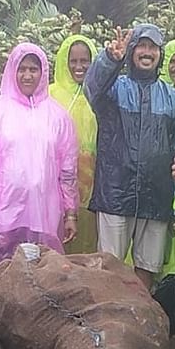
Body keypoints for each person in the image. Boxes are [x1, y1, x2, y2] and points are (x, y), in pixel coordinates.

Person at [85, 24, 175, 290]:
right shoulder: (113, 90)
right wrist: (110, 59)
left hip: (156, 197)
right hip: (115, 193)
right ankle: (106, 321)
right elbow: (91, 88)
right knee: (108, 267)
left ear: (160, 54)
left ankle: (142, 324)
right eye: (141, 46)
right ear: (131, 51)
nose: (147, 52)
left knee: (148, 268)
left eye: (153, 47)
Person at [0, 43, 79, 284]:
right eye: (22, 69)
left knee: (41, 282)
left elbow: (68, 170)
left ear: (43, 72)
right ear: (12, 71)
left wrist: (70, 213)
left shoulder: (58, 117)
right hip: (2, 216)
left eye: (33, 69)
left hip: (44, 217)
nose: (27, 75)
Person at [49, 36, 100, 255]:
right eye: (73, 61)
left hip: (94, 183)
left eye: (85, 61)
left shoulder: (100, 94)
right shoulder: (49, 94)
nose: (79, 67)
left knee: (88, 241)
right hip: (55, 179)